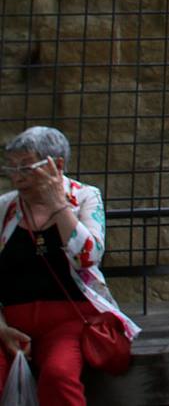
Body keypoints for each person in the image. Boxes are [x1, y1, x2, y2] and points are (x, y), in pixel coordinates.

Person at [0, 127, 139, 406]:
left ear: (57, 165)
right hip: (9, 324)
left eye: (26, 167)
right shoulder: (5, 207)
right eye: (11, 167)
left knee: (58, 374)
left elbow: (88, 257)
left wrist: (58, 205)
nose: (17, 177)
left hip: (68, 321)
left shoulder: (85, 198)